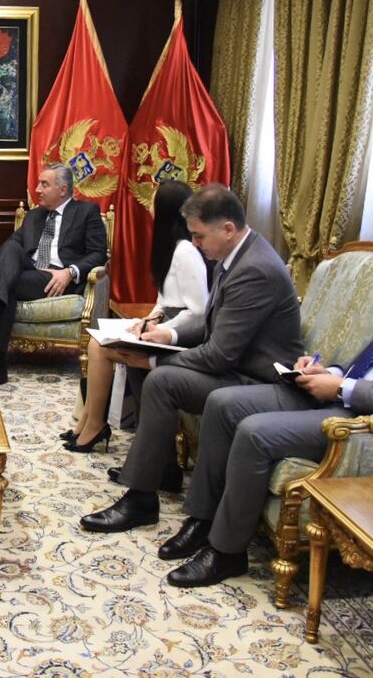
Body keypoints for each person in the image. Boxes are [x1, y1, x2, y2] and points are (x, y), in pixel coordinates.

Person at [160, 199, 373, 588]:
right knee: (223, 403)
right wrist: (330, 370)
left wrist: (345, 388)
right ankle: (203, 519)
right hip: (339, 394)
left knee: (255, 432)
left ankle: (227, 552)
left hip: (372, 423)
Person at [80, 183, 303, 534]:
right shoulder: (235, 255)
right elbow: (211, 321)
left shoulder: (255, 269)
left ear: (227, 229)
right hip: (235, 364)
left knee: (160, 378)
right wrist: (165, 337)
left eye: (199, 236)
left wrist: (153, 361)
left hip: (255, 380)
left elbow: (219, 355)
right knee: (143, 358)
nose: (195, 244)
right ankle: (163, 469)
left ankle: (140, 499)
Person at [63, 179, 209, 452]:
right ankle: (88, 422)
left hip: (179, 338)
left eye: (154, 199)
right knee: (97, 341)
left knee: (100, 348)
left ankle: (94, 425)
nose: (149, 204)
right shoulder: (170, 247)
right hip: (162, 329)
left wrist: (161, 330)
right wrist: (147, 321)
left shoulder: (186, 251)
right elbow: (164, 301)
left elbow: (198, 311)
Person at [0, 163, 108, 385]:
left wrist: (70, 272)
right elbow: (10, 250)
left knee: (8, 284)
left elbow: (98, 254)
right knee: (11, 248)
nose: (37, 189)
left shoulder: (87, 212)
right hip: (31, 272)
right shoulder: (33, 216)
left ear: (62, 189)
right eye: (39, 183)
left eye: (44, 184)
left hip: (59, 279)